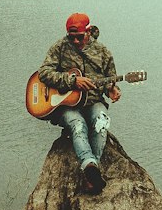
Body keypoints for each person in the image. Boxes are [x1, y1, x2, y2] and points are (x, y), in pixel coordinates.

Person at [37, 12, 121, 194]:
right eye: (71, 37)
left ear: (88, 32)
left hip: (93, 102)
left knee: (101, 121)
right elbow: (43, 73)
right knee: (78, 125)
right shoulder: (59, 48)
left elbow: (109, 81)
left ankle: (91, 170)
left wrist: (112, 89)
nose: (75, 41)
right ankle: (91, 167)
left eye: (79, 37)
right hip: (65, 105)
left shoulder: (103, 52)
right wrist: (72, 81)